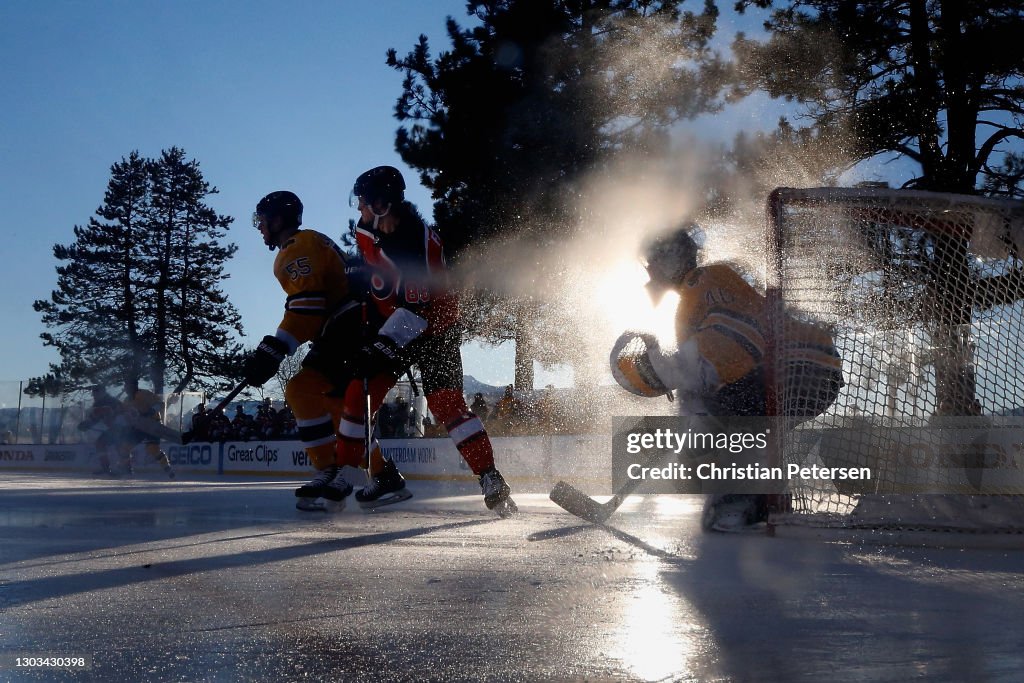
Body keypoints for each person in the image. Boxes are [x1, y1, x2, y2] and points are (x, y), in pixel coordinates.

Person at [610, 225, 843, 531]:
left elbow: (736, 340)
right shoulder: (692, 296)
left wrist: (678, 374)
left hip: (798, 366)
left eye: (653, 260)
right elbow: (717, 365)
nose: (649, 270)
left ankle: (743, 500)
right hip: (803, 368)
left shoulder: (703, 280)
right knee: (716, 429)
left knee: (733, 417)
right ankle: (765, 499)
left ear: (672, 259)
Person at [339, 165, 516, 516]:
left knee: (447, 405)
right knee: (358, 392)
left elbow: (417, 311)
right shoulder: (364, 230)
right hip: (396, 321)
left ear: (381, 205)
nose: (357, 208)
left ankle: (490, 476)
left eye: (362, 201)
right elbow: (375, 284)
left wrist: (383, 344)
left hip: (436, 327)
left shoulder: (417, 245)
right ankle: (354, 475)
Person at [246, 190, 411, 511]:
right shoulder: (308, 241)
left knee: (333, 402)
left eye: (263, 221)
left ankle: (361, 471)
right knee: (304, 389)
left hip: (345, 329)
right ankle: (359, 470)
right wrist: (279, 344)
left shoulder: (295, 250)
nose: (260, 227)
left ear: (279, 220)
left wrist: (276, 346)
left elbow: (308, 308)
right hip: (342, 328)